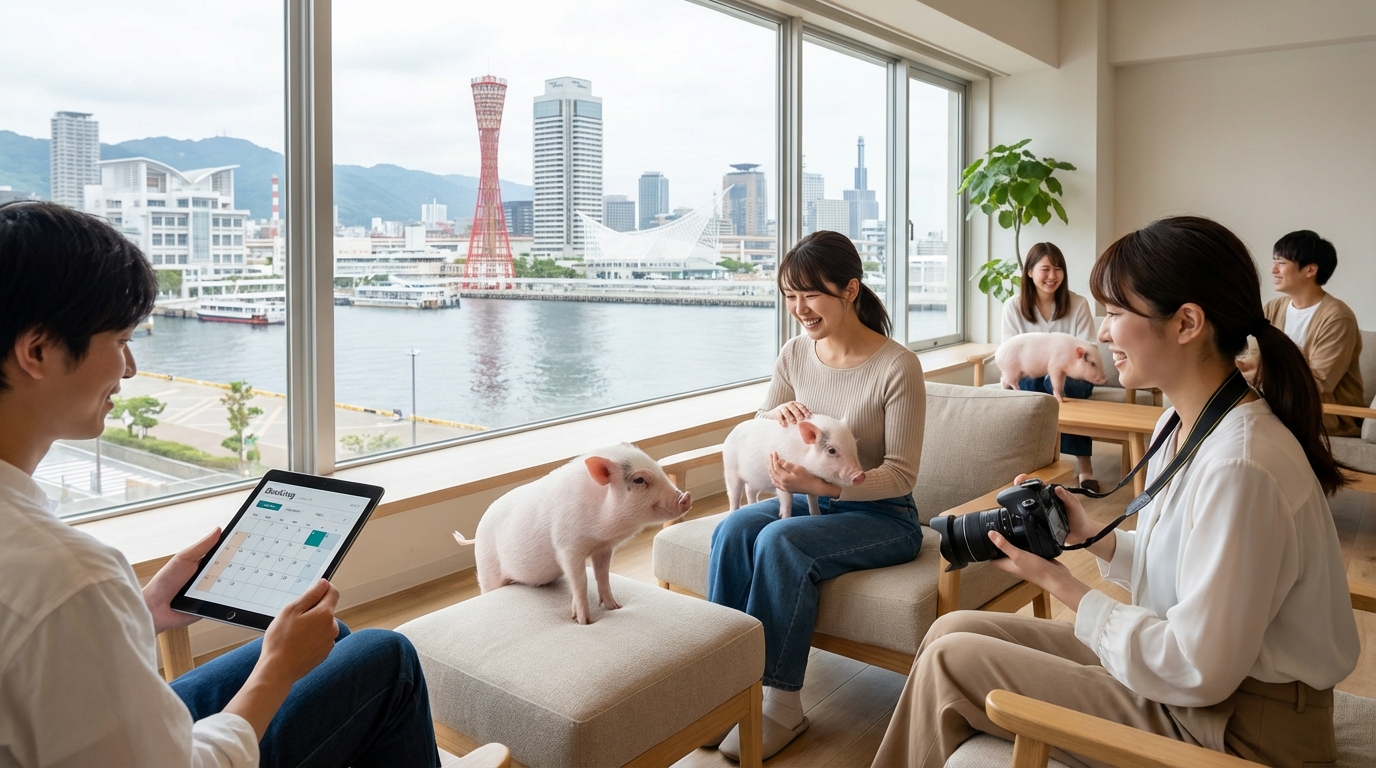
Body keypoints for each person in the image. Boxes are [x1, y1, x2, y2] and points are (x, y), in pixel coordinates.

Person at [873, 216, 1359, 768]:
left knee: (951, 661)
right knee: (952, 627)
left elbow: (1197, 668)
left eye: (1116, 313)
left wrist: (1060, 583)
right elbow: (1189, 574)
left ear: (1187, 323)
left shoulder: (1241, 466)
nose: (1103, 334)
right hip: (1202, 687)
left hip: (1239, 726)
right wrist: (1091, 536)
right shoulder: (1179, 422)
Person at [0, 201, 440, 767]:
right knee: (387, 657)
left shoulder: (51, 571)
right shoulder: (70, 576)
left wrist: (144, 608)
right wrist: (276, 671)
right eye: (120, 340)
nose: (129, 368)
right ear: (37, 351)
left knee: (335, 639)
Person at [707, 230, 926, 761]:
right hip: (810, 501)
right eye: (790, 295)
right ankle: (722, 690)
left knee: (781, 541)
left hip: (883, 516)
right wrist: (773, 414)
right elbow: (763, 421)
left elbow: (901, 475)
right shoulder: (794, 354)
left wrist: (822, 486)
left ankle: (781, 704)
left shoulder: (898, 366)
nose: (799, 308)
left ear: (850, 290)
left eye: (811, 294)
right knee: (733, 528)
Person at [1001, 242, 1101, 490]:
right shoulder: (1013, 306)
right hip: (1029, 377)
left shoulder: (1078, 304)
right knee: (1034, 386)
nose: (1052, 276)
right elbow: (1009, 350)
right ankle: (1041, 467)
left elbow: (1090, 349)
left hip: (1075, 379)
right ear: (1029, 272)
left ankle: (1083, 467)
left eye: (1058, 269)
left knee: (1057, 386)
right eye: (1045, 269)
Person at [1252, 230, 1363, 437]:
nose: (1273, 270)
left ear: (1310, 270)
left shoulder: (1338, 317)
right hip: (1278, 401)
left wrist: (1258, 374)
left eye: (1281, 263)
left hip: (1324, 413)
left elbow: (1318, 383)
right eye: (1274, 262)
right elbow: (1256, 358)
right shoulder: (1273, 308)